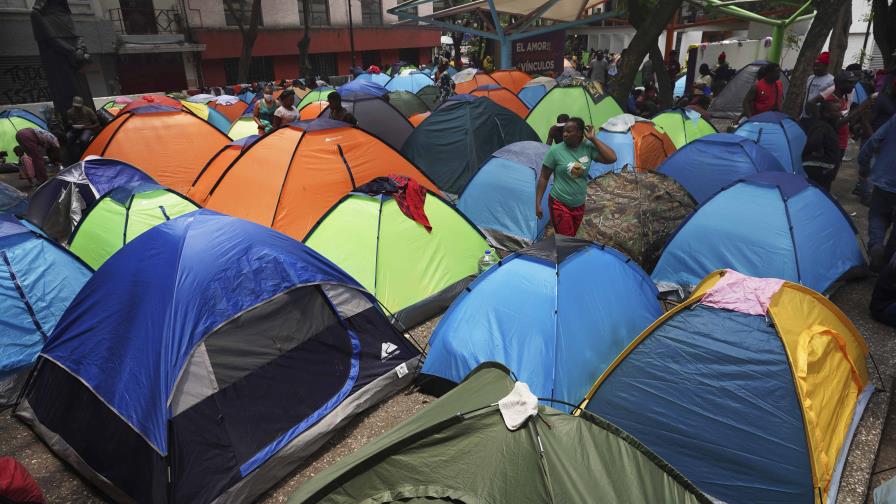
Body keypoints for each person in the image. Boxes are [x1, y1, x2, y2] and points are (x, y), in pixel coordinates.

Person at [535, 117, 617, 237]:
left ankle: (565, 253)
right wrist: (537, 203)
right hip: (559, 202)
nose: (565, 134)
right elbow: (543, 177)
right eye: (564, 131)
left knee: (572, 236)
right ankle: (563, 254)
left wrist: (593, 139)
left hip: (579, 203)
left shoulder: (587, 147)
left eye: (569, 131)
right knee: (566, 239)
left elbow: (612, 158)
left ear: (579, 133)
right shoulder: (555, 151)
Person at [859, 113, 896, 271]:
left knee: (878, 216)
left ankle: (876, 247)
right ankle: (888, 263)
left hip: (884, 179)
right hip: (885, 180)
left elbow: (874, 140)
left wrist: (864, 164)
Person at [802, 101, 842, 191]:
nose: (840, 114)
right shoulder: (822, 127)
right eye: (836, 111)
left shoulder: (827, 126)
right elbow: (813, 143)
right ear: (826, 114)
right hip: (822, 169)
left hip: (825, 169)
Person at [801, 52, 834, 119]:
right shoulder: (811, 78)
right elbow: (805, 95)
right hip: (804, 116)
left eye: (818, 66)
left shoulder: (831, 80)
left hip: (817, 117)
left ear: (826, 66)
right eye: (814, 65)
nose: (815, 68)